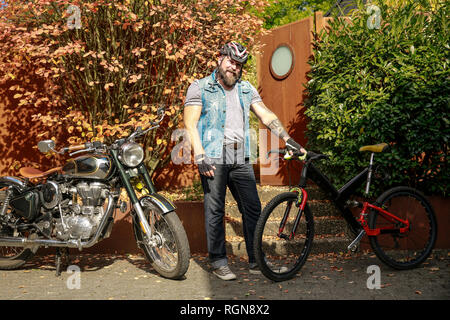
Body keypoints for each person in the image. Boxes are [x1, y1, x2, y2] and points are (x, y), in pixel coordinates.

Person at [183, 41, 305, 281]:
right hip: (212, 155)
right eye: (231, 61)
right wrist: (200, 156)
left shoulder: (246, 89)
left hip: (240, 156)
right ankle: (218, 262)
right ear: (219, 59)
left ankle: (256, 260)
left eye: (238, 65)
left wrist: (287, 138)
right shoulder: (200, 87)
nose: (234, 68)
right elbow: (190, 122)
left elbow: (265, 114)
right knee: (215, 209)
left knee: (252, 209)